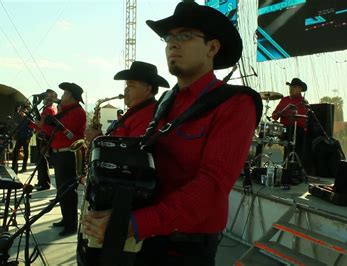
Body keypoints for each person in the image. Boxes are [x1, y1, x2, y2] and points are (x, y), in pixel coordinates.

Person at [82, 2, 262, 265]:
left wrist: (132, 223)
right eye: (169, 38)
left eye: (186, 36)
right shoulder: (166, 100)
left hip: (186, 248)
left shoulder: (236, 103)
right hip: (148, 236)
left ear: (212, 47)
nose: (172, 44)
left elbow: (211, 188)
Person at [49, 82, 86, 237]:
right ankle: (66, 218)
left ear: (71, 96)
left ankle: (71, 224)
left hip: (68, 154)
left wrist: (54, 122)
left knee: (68, 190)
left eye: (64, 94)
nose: (61, 97)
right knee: (61, 189)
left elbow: (67, 131)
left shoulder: (77, 111)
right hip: (60, 154)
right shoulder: (66, 110)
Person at [272, 78, 308, 163]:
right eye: (290, 87)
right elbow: (274, 116)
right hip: (284, 130)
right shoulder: (284, 100)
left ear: (300, 89)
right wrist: (281, 112)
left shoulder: (304, 102)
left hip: (298, 131)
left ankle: (294, 165)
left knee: (300, 134)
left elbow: (303, 121)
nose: (291, 89)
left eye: (294, 87)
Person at [34, 89, 58, 191]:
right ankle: (42, 182)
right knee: (41, 161)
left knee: (42, 161)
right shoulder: (47, 108)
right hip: (43, 135)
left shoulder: (49, 109)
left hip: (45, 137)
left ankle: (44, 183)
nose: (44, 98)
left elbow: (40, 124)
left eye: (47, 96)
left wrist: (34, 109)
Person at [11, 104, 34, 174]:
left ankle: (24, 167)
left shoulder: (29, 118)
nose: (19, 112)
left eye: (21, 110)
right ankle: (14, 167)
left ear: (24, 110)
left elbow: (32, 128)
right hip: (20, 136)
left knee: (26, 152)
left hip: (26, 137)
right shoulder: (19, 118)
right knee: (15, 151)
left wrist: (29, 137)